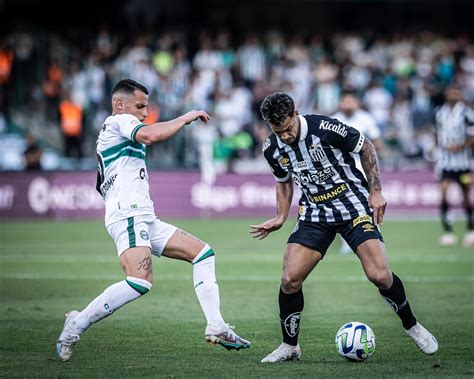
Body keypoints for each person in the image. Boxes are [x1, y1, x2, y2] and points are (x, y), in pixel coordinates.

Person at [56, 79, 250, 362]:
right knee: (140, 281)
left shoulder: (122, 127)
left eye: (146, 106)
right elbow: (148, 135)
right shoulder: (118, 121)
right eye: (140, 106)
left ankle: (217, 325)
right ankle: (76, 325)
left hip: (143, 215)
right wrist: (185, 118)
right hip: (129, 213)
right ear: (120, 104)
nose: (145, 113)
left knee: (203, 254)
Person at [251, 92, 437, 363]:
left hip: (354, 208)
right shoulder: (272, 148)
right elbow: (283, 180)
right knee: (290, 280)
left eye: (289, 128)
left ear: (296, 114)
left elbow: (367, 147)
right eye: (278, 131)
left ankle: (412, 326)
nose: (286, 135)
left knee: (380, 276)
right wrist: (280, 216)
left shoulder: (325, 128)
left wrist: (375, 191)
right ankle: (290, 345)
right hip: (315, 213)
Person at [332, 90, 384, 254]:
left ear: (357, 102)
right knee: (343, 204)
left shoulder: (366, 119)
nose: (348, 104)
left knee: (371, 203)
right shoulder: (333, 120)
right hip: (342, 171)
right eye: (345, 101)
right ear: (341, 103)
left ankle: (376, 236)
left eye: (351, 101)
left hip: (364, 170)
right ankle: (347, 242)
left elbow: (376, 142)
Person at [434, 85, 474, 247]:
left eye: (455, 92)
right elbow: (436, 132)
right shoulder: (439, 113)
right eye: (450, 92)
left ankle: (470, 230)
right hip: (445, 162)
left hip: (462, 163)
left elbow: (472, 136)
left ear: (459, 94)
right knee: (443, 193)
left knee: (465, 196)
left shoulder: (467, 113)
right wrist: (438, 145)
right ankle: (447, 232)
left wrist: (460, 145)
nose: (452, 95)